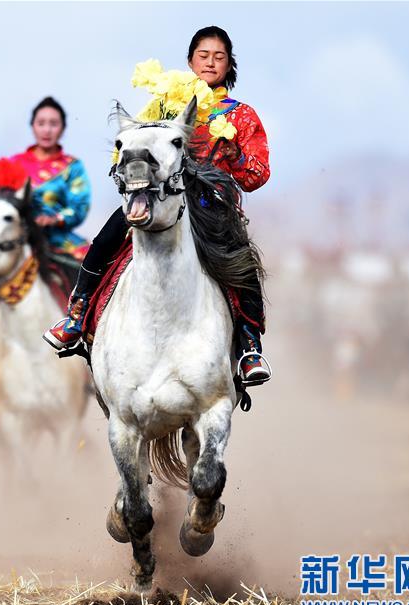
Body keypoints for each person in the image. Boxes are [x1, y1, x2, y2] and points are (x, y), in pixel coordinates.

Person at [44, 25, 272, 386]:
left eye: (219, 57)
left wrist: (237, 156)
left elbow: (258, 175)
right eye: (203, 55)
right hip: (160, 197)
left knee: (240, 260)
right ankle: (77, 313)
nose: (211, 62)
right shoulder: (165, 102)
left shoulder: (242, 116)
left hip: (212, 206)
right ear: (190, 61)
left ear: (230, 65)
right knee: (106, 238)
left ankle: (248, 345)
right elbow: (131, 146)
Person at [0, 96, 92, 406]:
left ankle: (94, 366)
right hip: (16, 245)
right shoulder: (13, 166)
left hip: (58, 242)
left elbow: (80, 205)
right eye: (41, 123)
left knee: (87, 290)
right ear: (32, 127)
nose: (47, 129)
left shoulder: (72, 168)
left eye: (53, 124)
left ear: (62, 128)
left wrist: (56, 217)